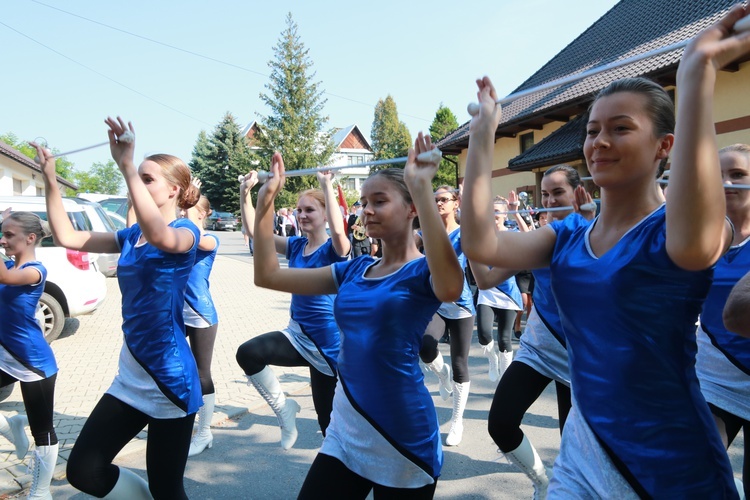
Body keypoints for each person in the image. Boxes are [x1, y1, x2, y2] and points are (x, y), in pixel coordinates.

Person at [460, 8, 750, 496]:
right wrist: (484, 138)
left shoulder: (684, 229)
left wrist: (696, 74)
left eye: (620, 128)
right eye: (593, 130)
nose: (599, 142)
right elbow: (482, 244)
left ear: (665, 146)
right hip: (583, 448)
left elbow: (695, 245)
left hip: (668, 463)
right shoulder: (568, 234)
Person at [253, 134, 462, 498]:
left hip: (402, 434)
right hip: (346, 426)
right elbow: (267, 276)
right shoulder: (354, 269)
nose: (366, 210)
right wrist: (265, 201)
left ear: (413, 208)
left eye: (379, 201)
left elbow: (450, 288)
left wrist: (423, 187)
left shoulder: (423, 273)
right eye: (363, 202)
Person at [34, 117, 202, 499]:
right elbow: (66, 235)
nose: (139, 183)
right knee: (83, 470)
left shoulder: (187, 233)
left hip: (169, 379)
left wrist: (126, 166)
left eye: (148, 179)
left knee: (168, 489)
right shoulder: (132, 236)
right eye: (139, 177)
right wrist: (49, 179)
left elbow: (162, 235)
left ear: (174, 190)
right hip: (131, 377)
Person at [487, 165, 592, 496]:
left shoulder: (597, 234)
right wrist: (470, 240)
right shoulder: (539, 237)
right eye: (543, 194)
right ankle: (541, 481)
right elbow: (485, 277)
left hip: (581, 355)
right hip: (539, 345)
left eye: (557, 193)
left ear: (578, 196)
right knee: (501, 423)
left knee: (573, 447)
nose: (548, 201)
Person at [237, 169, 350, 449]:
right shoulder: (297, 246)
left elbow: (338, 230)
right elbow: (256, 231)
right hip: (297, 336)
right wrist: (246, 192)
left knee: (329, 423)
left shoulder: (335, 249)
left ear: (325, 214)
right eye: (298, 210)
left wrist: (326, 184)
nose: (301, 215)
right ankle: (285, 411)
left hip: (329, 347)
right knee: (248, 353)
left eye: (309, 209)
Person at [695, 144, 750, 498]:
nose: (726, 183)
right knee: (697, 474)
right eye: (718, 176)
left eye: (738, 175)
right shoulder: (695, 237)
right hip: (713, 377)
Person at [0, 209, 58, 499]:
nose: (3, 240)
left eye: (9, 234)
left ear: (31, 238)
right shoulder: (10, 265)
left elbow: (7, 278)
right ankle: (10, 425)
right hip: (6, 356)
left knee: (43, 430)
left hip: (34, 363)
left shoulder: (34, 271)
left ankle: (41, 491)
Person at [418, 185, 476, 447]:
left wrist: (470, 202)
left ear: (455, 203)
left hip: (462, 305)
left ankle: (457, 422)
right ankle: (442, 376)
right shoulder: (426, 232)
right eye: (435, 200)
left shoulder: (463, 233)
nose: (439, 203)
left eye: (444, 199)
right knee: (425, 346)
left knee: (460, 364)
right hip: (437, 303)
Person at [182, 193, 221, 457]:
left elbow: (200, 240)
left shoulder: (209, 238)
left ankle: (204, 431)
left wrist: (189, 214)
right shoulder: (179, 234)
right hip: (175, 312)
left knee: (200, 372)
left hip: (200, 313)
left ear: (204, 214)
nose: (184, 214)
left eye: (191, 210)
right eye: (183, 209)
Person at [470, 196, 525, 383]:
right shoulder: (481, 234)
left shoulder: (511, 233)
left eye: (496, 211)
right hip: (487, 291)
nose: (492, 215)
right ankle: (492, 359)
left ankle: (506, 378)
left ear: (503, 213)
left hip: (508, 293)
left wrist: (516, 213)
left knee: (504, 339)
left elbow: (528, 235)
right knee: (484, 334)